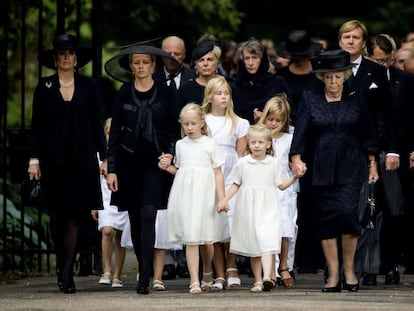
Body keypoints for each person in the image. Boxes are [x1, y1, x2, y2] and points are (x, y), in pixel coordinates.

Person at [290, 49, 380, 292]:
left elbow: (368, 133)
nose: (333, 81)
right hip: (321, 168)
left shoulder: (356, 97)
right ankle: (332, 274)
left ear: (345, 75)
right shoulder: (311, 97)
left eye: (337, 76)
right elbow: (301, 131)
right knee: (327, 219)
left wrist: (373, 163)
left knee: (348, 214)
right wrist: (296, 158)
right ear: (322, 78)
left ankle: (349, 270)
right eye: (328, 77)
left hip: (352, 166)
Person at [28, 33, 107, 294]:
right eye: (62, 53)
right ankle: (62, 263)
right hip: (53, 160)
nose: (66, 57)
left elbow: (97, 124)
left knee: (75, 215)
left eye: (70, 53)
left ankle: (67, 273)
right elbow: (37, 126)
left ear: (76, 59)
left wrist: (105, 157)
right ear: (55, 59)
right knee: (57, 217)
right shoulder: (45, 86)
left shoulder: (88, 86)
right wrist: (34, 158)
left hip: (82, 158)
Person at [104, 42, 181, 295]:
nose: (140, 66)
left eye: (145, 62)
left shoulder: (165, 93)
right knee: (135, 218)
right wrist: (112, 167)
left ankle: (145, 275)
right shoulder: (124, 93)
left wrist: (169, 153)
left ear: (154, 64)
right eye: (136, 62)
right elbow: (115, 132)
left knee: (149, 212)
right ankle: (143, 267)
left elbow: (172, 128)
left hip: (155, 160)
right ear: (131, 65)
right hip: (128, 161)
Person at [337, 19, 396, 287]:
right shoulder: (330, 68)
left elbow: (388, 115)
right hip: (336, 149)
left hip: (370, 149)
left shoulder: (376, 71)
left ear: (364, 42)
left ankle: (364, 268)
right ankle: (337, 268)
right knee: (339, 209)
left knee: (369, 209)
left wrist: (390, 149)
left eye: (356, 37)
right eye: (346, 36)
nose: (350, 41)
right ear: (339, 40)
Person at [216, 124, 301, 292]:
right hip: (249, 209)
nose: (256, 145)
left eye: (260, 142)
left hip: (268, 208)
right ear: (248, 144)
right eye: (253, 142)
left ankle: (268, 276)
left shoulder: (273, 163)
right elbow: (235, 184)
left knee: (268, 241)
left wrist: (294, 177)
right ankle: (258, 281)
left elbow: (281, 185)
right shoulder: (243, 163)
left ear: (268, 144)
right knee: (255, 245)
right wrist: (224, 200)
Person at [158, 103, 226, 294]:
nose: (189, 128)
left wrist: (221, 198)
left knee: (207, 239)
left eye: (193, 123)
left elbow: (218, 173)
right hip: (185, 195)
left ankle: (207, 269)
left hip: (206, 194)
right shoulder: (180, 145)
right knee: (191, 238)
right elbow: (181, 171)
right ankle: (194, 281)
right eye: (185, 124)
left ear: (201, 123)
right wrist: (167, 167)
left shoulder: (210, 144)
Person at [275, 30, 325, 276]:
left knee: (311, 200)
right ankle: (286, 259)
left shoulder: (317, 77)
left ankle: (311, 258)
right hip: (286, 141)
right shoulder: (281, 76)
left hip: (314, 141)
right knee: (290, 200)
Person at [366, 33, 414, 284]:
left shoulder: (405, 80)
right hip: (368, 152)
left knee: (396, 210)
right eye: (377, 61)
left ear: (393, 58)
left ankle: (391, 264)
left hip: (397, 151)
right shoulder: (360, 81)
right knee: (370, 211)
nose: (382, 66)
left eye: (386, 61)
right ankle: (370, 268)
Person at [152, 35, 196, 282]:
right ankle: (167, 258)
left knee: (186, 202)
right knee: (163, 204)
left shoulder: (192, 78)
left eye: (177, 54)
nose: (172, 58)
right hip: (161, 148)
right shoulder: (153, 79)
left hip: (189, 147)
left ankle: (184, 259)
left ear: (184, 54)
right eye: (168, 53)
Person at [201, 76, 249, 290]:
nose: (223, 97)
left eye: (226, 93)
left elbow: (240, 155)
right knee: (215, 224)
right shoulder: (203, 120)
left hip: (230, 173)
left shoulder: (239, 122)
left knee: (232, 221)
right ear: (210, 97)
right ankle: (219, 272)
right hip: (209, 172)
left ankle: (232, 266)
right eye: (219, 93)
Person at [257, 94, 299, 289]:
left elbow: (293, 162)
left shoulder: (290, 138)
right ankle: (269, 270)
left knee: (286, 227)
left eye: (278, 120)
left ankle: (284, 266)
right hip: (264, 188)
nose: (273, 124)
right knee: (267, 229)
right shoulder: (258, 138)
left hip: (286, 188)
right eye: (270, 119)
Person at [96, 118, 131, 288]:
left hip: (122, 196)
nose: (111, 134)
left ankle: (117, 274)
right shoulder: (99, 155)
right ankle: (107, 270)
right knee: (107, 231)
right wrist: (94, 205)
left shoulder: (126, 152)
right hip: (104, 198)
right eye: (108, 131)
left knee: (120, 236)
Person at [231, 38, 291, 125]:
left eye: (255, 57)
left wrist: (265, 118)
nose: (251, 63)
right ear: (242, 61)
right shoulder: (234, 84)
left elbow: (287, 115)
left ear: (262, 59)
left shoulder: (277, 83)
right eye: (247, 58)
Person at [176, 40, 222, 109]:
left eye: (209, 59)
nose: (205, 64)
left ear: (217, 62)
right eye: (201, 60)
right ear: (195, 64)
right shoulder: (186, 89)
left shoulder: (227, 86)